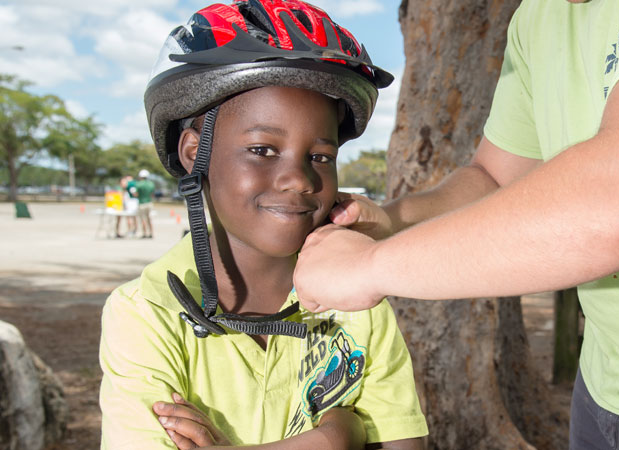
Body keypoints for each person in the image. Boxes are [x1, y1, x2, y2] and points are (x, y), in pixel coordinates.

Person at [293, 0, 619, 448]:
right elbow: (495, 175)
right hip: (606, 388)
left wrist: (372, 267)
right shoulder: (539, 16)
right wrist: (392, 220)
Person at [98, 1, 427, 448]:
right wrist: (335, 437)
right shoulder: (145, 313)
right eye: (262, 149)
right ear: (195, 153)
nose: (299, 178)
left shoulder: (356, 302)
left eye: (320, 157)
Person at [135, 169, 156, 239]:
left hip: (142, 203)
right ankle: (151, 233)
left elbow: (136, 194)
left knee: (143, 219)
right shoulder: (151, 184)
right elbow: (152, 194)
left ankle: (145, 233)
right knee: (149, 219)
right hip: (149, 203)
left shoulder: (139, 184)